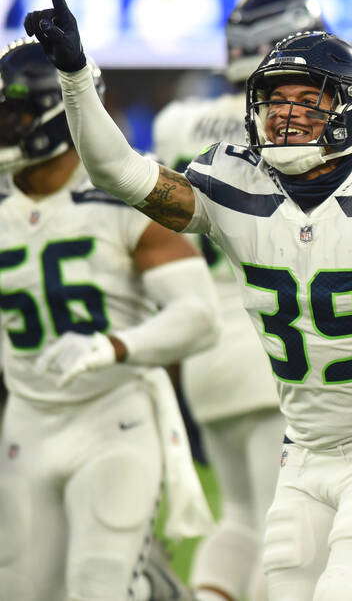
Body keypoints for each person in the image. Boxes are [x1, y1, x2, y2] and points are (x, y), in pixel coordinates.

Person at [26, 0, 352, 599]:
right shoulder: (231, 182)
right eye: (275, 99)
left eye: (308, 101)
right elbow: (118, 172)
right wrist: (75, 75)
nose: (286, 114)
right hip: (299, 434)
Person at [0, 38, 219, 599]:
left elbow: (198, 317)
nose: (5, 124)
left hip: (114, 417)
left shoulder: (128, 195)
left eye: (14, 111)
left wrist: (112, 346)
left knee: (99, 585)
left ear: (56, 113)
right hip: (25, 420)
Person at [152, 0, 326, 601]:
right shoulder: (289, 122)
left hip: (203, 340)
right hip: (270, 334)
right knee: (284, 525)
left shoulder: (176, 120)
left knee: (239, 516)